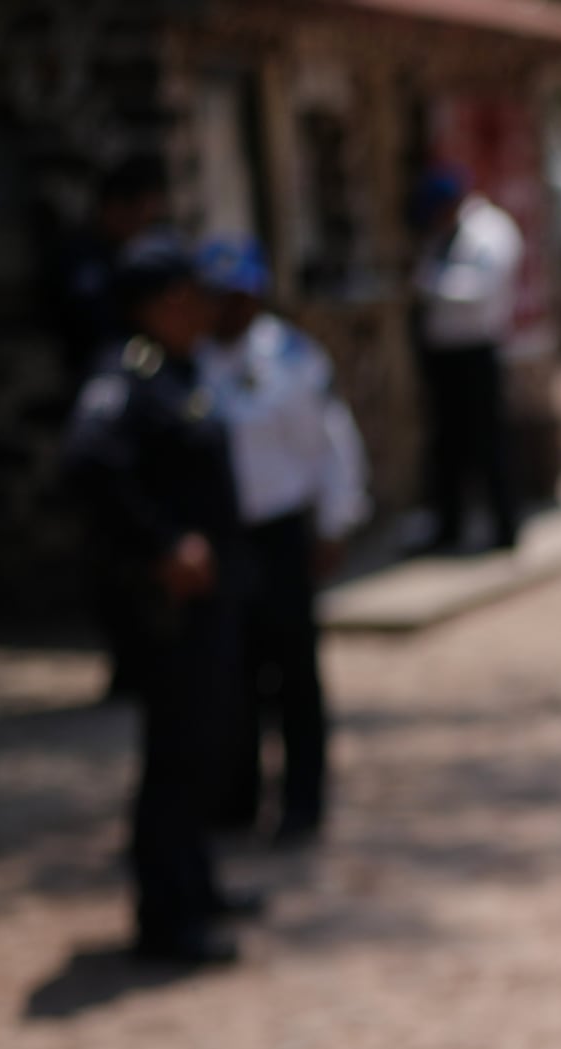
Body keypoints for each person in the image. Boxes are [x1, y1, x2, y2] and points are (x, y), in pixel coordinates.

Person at [62, 235, 251, 965]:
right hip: (169, 607)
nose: (203, 308)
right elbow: (88, 464)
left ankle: (195, 886)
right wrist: (163, 543)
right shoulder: (126, 374)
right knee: (174, 756)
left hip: (209, 600)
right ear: (162, 303)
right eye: (191, 296)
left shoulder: (179, 368)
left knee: (204, 748)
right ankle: (165, 918)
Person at [195, 237, 366, 844]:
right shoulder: (190, 361)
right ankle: (235, 798)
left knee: (294, 676)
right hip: (221, 539)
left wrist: (334, 520)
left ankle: (302, 802)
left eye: (237, 297)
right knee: (230, 674)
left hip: (280, 534)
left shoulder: (291, 359)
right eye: (216, 297)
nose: (226, 309)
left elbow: (331, 444)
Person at [410, 166, 524, 553]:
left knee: (488, 443)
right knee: (447, 446)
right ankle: (449, 528)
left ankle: (505, 529)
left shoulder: (490, 230)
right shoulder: (440, 234)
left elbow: (480, 289)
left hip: (477, 350)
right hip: (443, 353)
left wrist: (430, 285)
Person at [55, 155, 172, 376]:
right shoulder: (81, 256)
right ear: (116, 207)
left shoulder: (127, 256)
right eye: (141, 216)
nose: (144, 229)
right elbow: (94, 325)